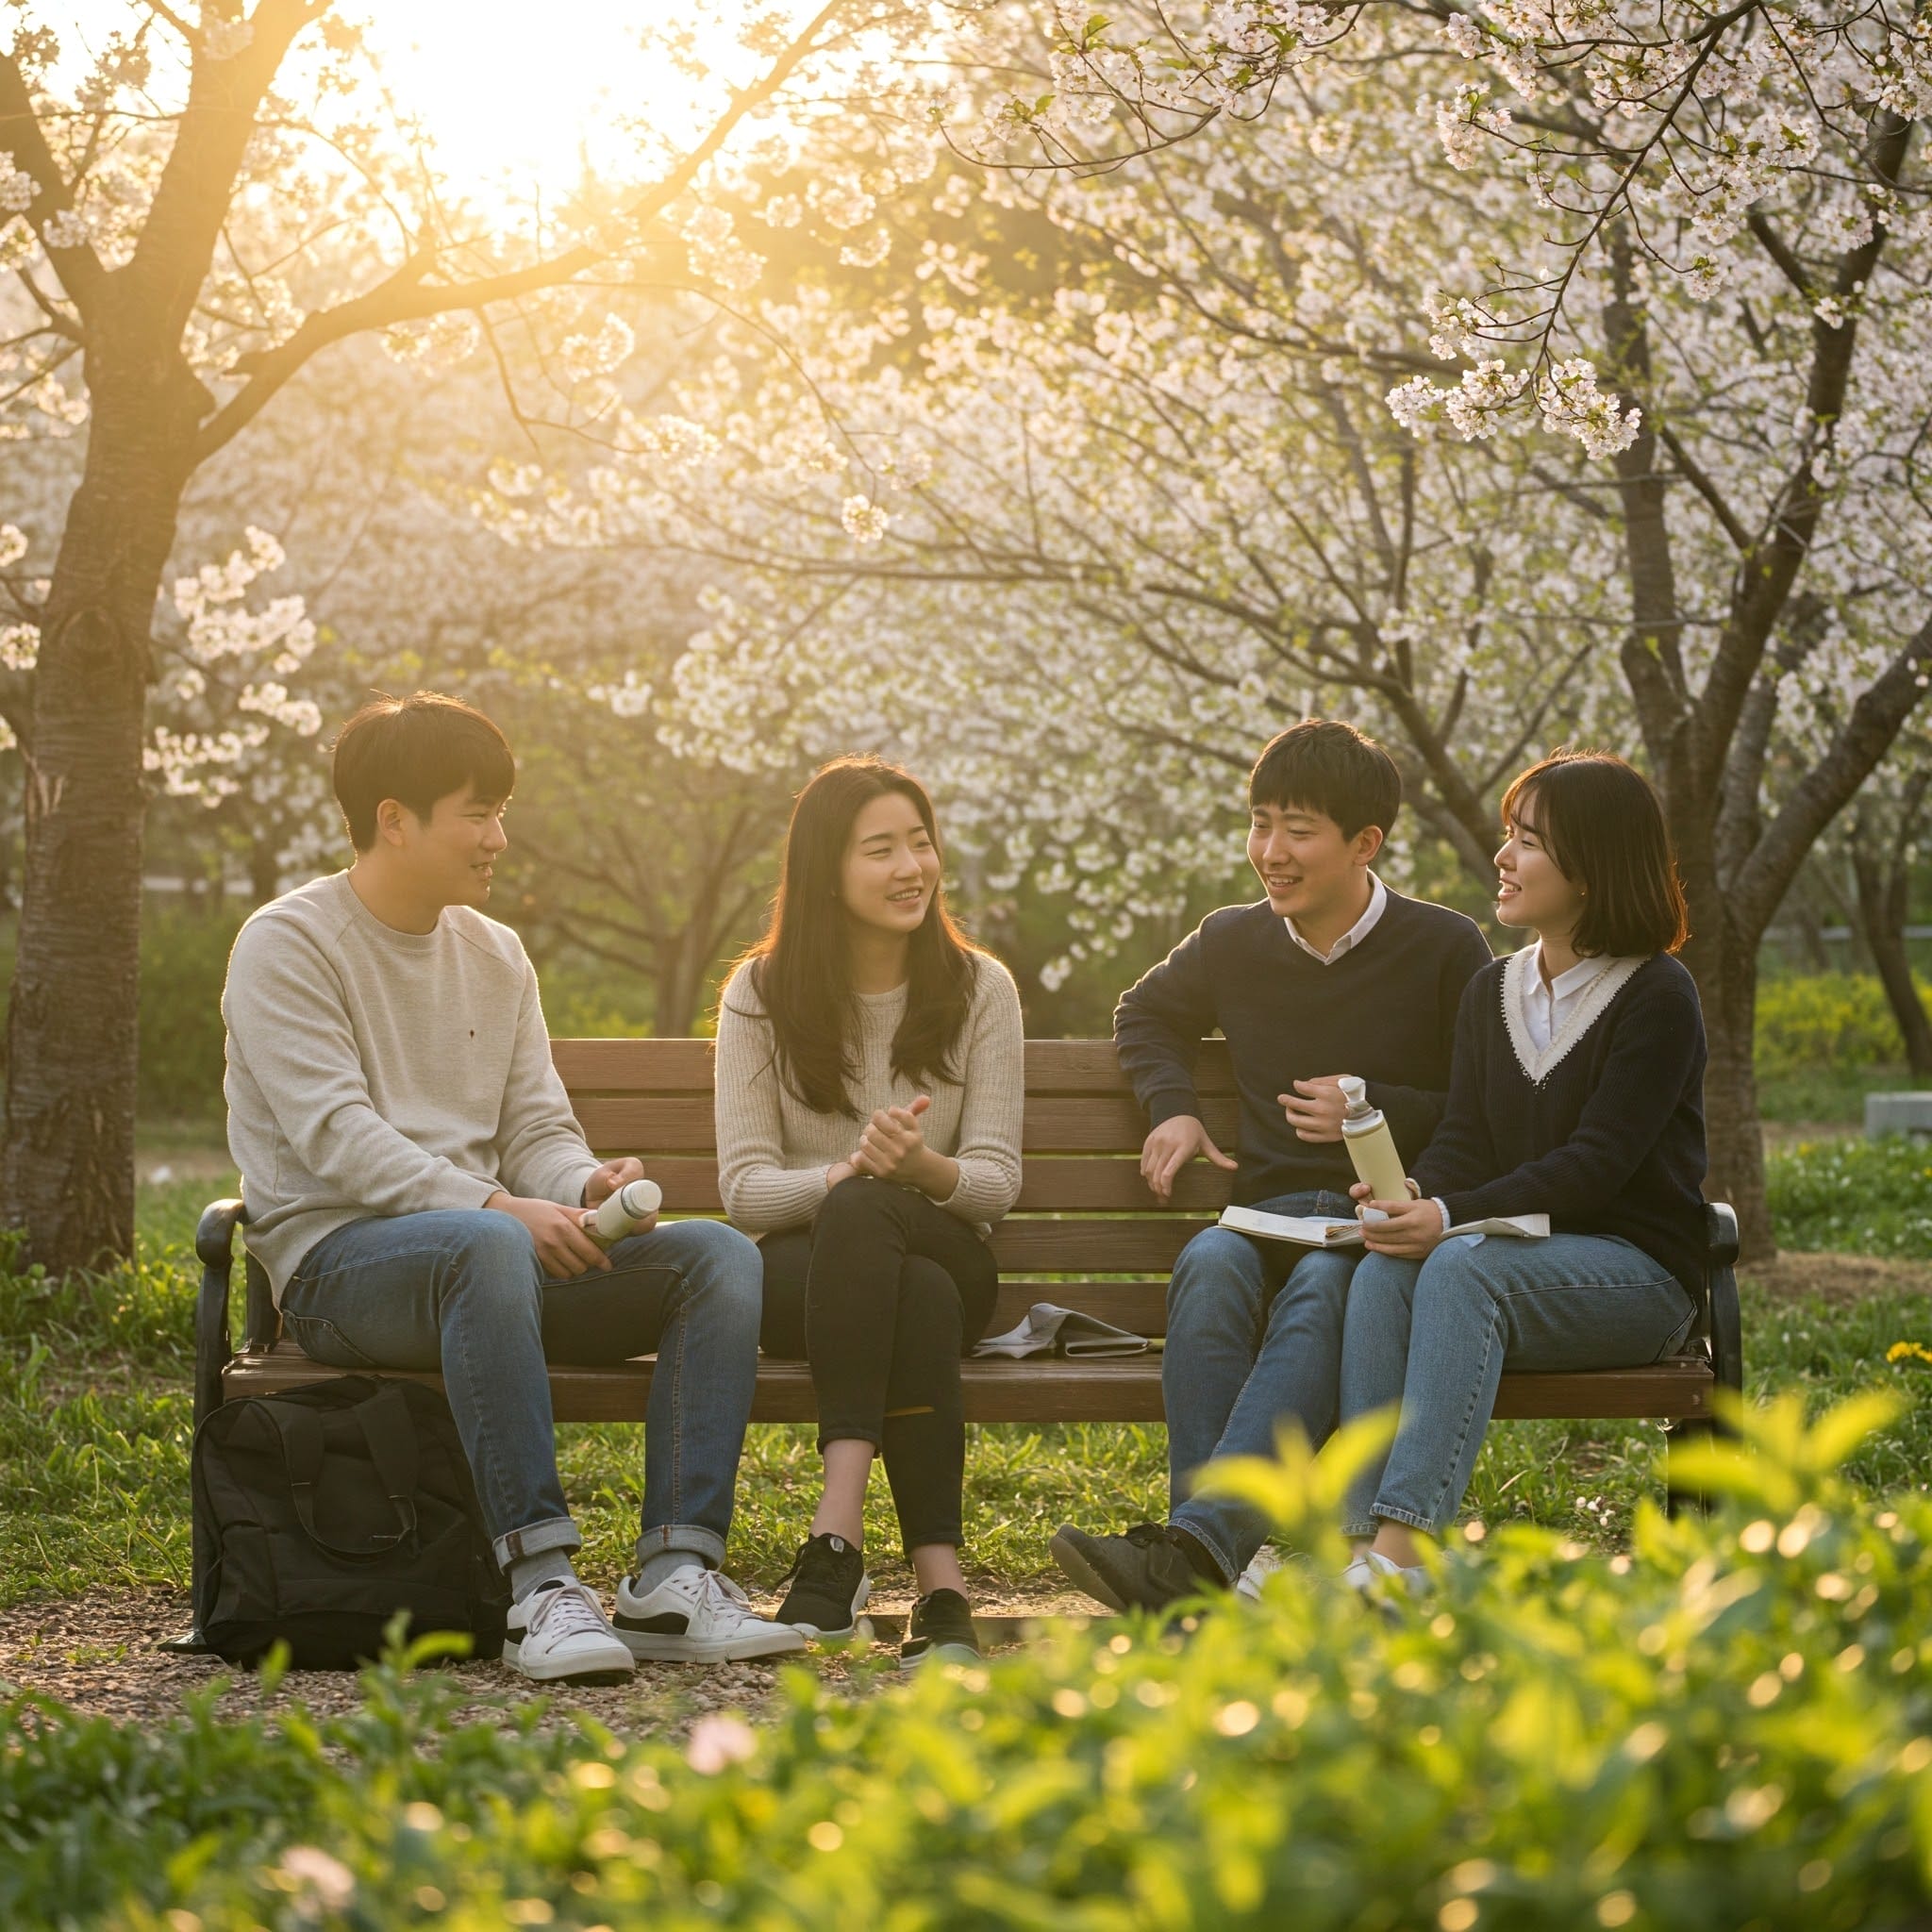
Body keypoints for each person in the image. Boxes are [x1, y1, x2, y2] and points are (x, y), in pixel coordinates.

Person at [222, 691, 803, 1685]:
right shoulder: (287, 943)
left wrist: (583, 1181)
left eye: (502, 811)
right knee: (483, 1245)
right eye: (476, 812)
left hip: (490, 1264)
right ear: (393, 818)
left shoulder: (495, 953)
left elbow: (533, 1126)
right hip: (341, 1269)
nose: (500, 837)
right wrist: (497, 1207)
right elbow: (336, 1138)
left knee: (716, 1255)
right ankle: (539, 1585)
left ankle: (673, 1571)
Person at [1050, 719, 1493, 1614]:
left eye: (1298, 829)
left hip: (1376, 1226)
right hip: (1261, 1215)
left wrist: (1373, 1105)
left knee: (1326, 1290)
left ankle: (1189, 1564)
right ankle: (1213, 1561)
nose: (1270, 852)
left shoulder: (1446, 948)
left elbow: (1486, 1105)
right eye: (1260, 823)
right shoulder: (1232, 940)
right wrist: (1171, 1107)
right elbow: (1144, 1015)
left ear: (1364, 842)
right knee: (1207, 1264)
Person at [1337, 749, 1705, 1593]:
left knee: (1462, 1267)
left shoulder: (1656, 993)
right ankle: (1355, 1554)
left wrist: (1453, 1215)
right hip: (1513, 1262)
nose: (1502, 858)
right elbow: (1466, 1136)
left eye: (1528, 840)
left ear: (1594, 866)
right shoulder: (1491, 990)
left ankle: (1404, 1558)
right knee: (1384, 1272)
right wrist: (1417, 1198)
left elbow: (1597, 1166)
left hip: (1636, 1279)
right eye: (1508, 835)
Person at [714, 757, 1024, 1666]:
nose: (910, 869)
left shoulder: (981, 990)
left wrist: (920, 1166)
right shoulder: (761, 994)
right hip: (808, 1283)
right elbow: (746, 1194)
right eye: (880, 849)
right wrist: (847, 1172)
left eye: (919, 844)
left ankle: (837, 1538)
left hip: (946, 1241)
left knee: (885, 1225)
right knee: (892, 1263)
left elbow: (995, 1183)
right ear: (826, 871)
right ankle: (942, 1593)